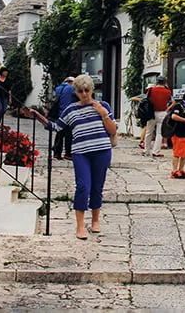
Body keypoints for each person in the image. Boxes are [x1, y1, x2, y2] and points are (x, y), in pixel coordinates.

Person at [25, 74, 117, 239]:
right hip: (80, 153)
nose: (84, 94)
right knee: (83, 186)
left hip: (101, 151)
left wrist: (103, 114)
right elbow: (57, 127)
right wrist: (39, 117)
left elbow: (112, 130)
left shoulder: (103, 106)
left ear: (91, 90)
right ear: (76, 92)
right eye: (80, 91)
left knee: (97, 187)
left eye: (86, 90)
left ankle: (96, 220)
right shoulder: (71, 109)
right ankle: (80, 226)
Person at [167, 90, 185, 179]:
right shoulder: (179, 106)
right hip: (179, 132)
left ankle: (181, 169)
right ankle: (174, 171)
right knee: (177, 153)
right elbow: (174, 116)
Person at [144, 76, 172, 158]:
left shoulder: (151, 90)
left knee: (149, 131)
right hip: (162, 112)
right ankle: (156, 151)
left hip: (151, 112)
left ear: (157, 82)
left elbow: (147, 99)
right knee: (159, 133)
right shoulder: (168, 91)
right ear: (165, 83)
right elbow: (169, 101)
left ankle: (146, 150)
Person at [52, 76, 78, 160]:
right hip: (68, 114)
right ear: (71, 82)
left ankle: (57, 152)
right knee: (68, 135)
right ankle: (68, 153)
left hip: (59, 113)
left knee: (59, 133)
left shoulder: (58, 88)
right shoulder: (70, 89)